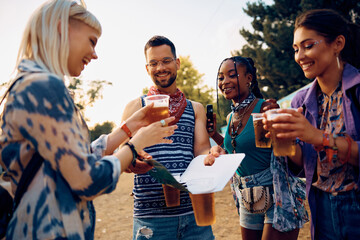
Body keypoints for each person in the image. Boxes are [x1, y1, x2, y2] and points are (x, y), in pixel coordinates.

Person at [0, 1, 177, 239]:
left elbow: (72, 159)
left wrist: (129, 127)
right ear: (62, 29)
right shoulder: (45, 87)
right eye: (92, 41)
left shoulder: (30, 83)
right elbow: (87, 180)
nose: (95, 54)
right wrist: (134, 146)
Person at [263, 9, 360, 240]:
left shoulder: (357, 90)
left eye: (308, 46)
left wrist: (319, 137)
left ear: (337, 43)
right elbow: (303, 165)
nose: (299, 56)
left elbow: (316, 138)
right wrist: (285, 142)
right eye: (296, 49)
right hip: (321, 207)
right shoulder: (301, 102)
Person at [121, 35, 214, 240]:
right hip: (151, 217)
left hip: (194, 213)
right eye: (153, 63)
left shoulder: (195, 108)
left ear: (177, 63)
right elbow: (122, 154)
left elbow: (201, 151)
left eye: (166, 61)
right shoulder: (135, 107)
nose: (160, 67)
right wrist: (133, 161)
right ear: (147, 69)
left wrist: (212, 155)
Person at [205, 56, 308, 240]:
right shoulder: (230, 117)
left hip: (276, 191)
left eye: (232, 75)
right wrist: (214, 136)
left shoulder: (264, 108)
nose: (225, 81)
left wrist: (276, 121)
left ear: (249, 78)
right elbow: (237, 153)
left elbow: (277, 150)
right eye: (221, 77)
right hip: (247, 196)